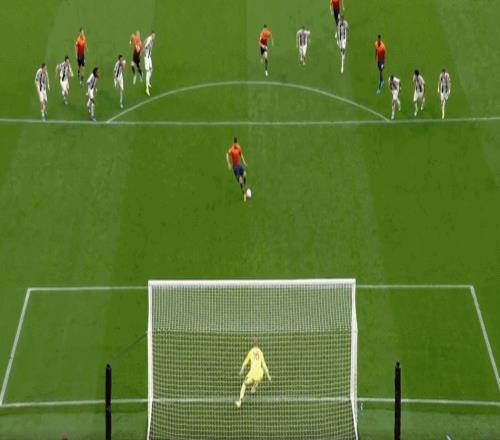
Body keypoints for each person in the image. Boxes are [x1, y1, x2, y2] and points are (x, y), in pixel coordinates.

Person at [235, 341, 271, 408]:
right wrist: (268, 375)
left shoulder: (251, 352)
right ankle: (254, 388)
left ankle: (239, 401)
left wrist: (241, 370)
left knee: (244, 384)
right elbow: (264, 365)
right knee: (260, 373)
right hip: (260, 374)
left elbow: (245, 362)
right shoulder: (260, 352)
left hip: (252, 374)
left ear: (252, 345)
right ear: (258, 345)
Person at [226, 137, 249, 202]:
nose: (236, 144)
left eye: (237, 143)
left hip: (239, 165)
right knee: (240, 180)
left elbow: (241, 154)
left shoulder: (239, 147)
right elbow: (227, 155)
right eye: (235, 143)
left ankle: (245, 187)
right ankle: (244, 194)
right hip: (235, 168)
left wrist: (244, 162)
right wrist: (228, 163)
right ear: (233, 143)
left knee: (245, 174)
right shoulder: (231, 149)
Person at [143, 32, 156, 96]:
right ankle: (147, 89)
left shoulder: (150, 39)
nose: (154, 37)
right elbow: (145, 47)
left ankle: (148, 82)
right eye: (153, 36)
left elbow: (145, 40)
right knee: (148, 72)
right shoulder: (149, 40)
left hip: (149, 58)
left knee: (151, 70)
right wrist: (144, 52)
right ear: (151, 35)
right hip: (147, 58)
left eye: (154, 36)